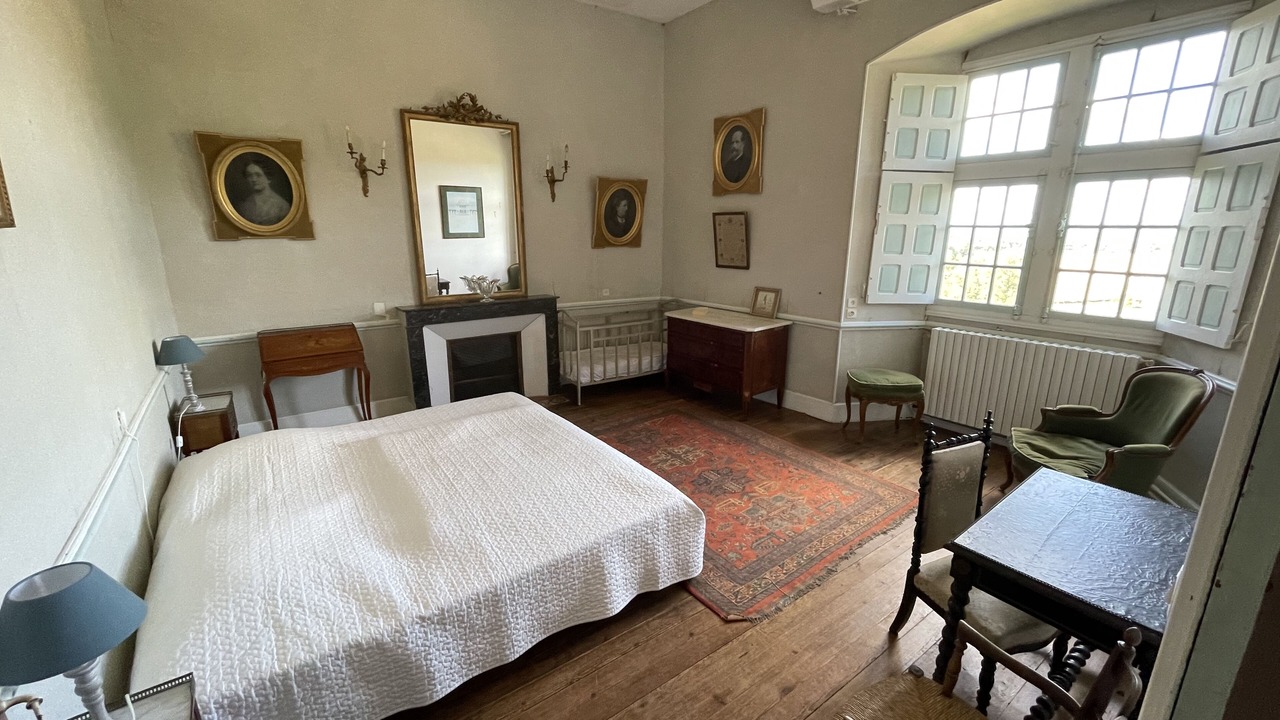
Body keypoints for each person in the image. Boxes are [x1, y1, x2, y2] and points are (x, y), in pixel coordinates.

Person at [232, 158, 291, 226]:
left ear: (268, 178)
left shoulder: (282, 206)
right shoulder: (243, 205)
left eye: (258, 175)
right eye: (249, 175)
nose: (254, 179)